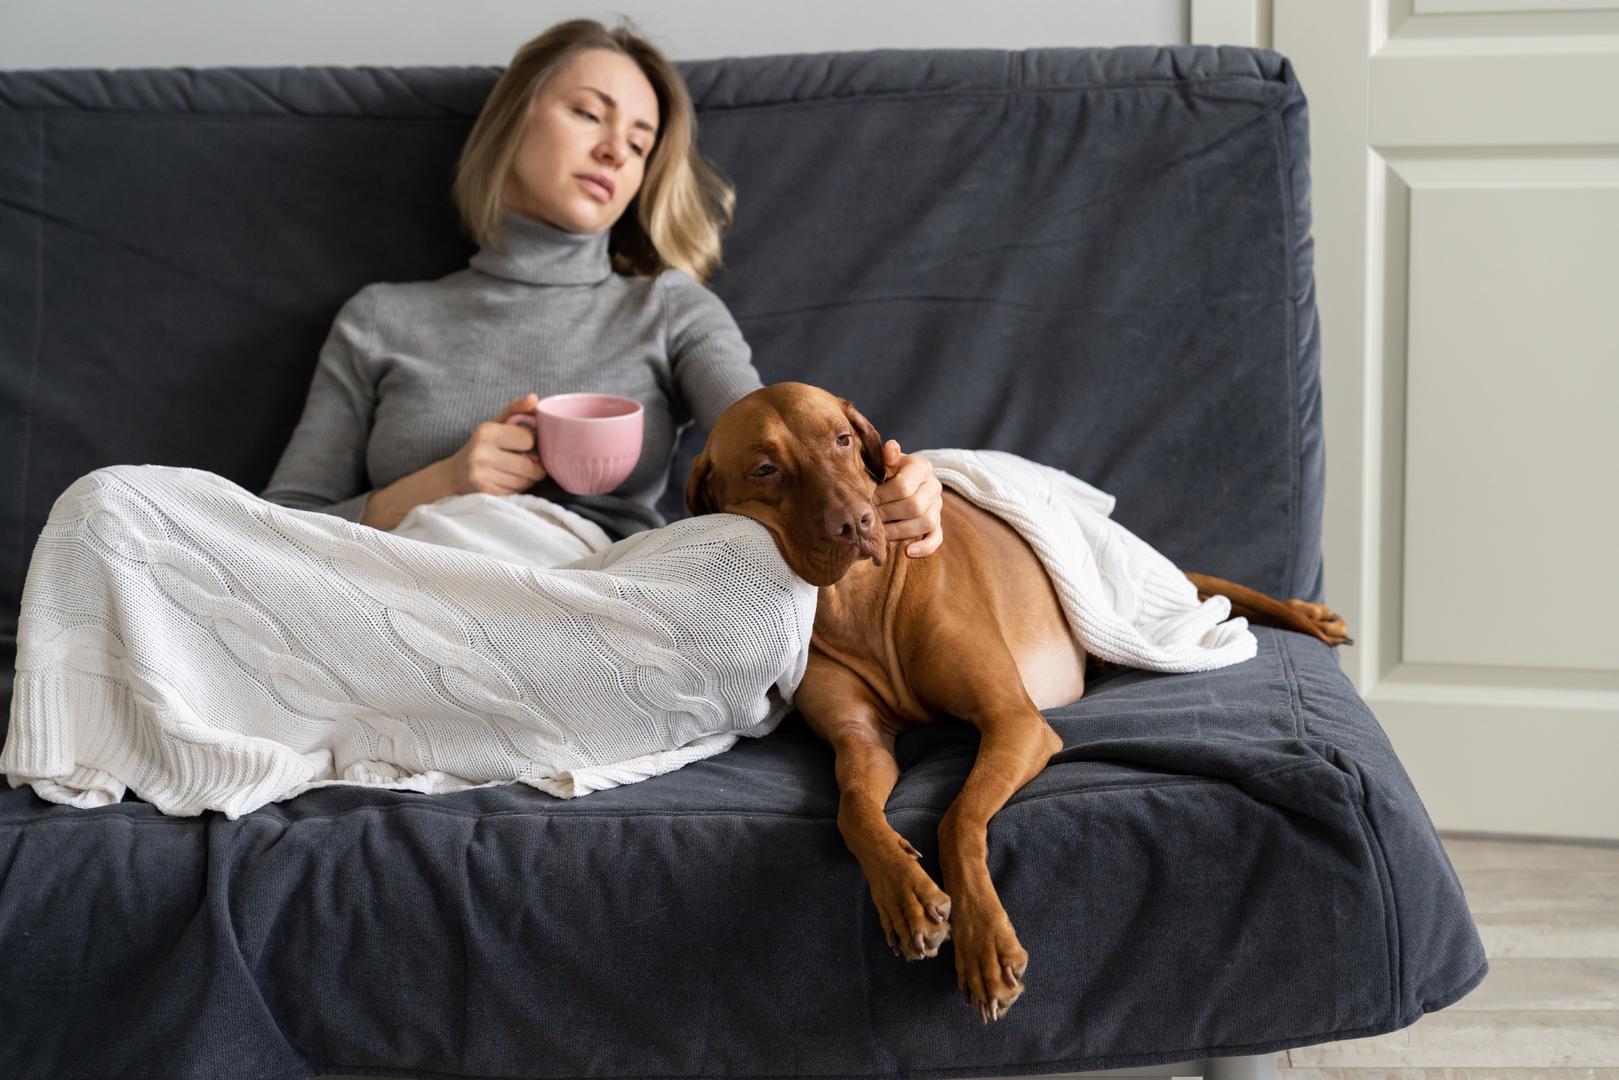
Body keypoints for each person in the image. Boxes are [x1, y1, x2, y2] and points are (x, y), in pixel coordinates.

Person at [260, 17, 945, 558]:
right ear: (513, 120)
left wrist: (895, 490)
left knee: (752, 590)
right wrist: (440, 486)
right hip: (413, 576)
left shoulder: (668, 306)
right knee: (154, 507)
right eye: (589, 114)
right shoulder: (379, 317)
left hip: (599, 588)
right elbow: (272, 530)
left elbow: (772, 441)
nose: (616, 151)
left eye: (640, 142)